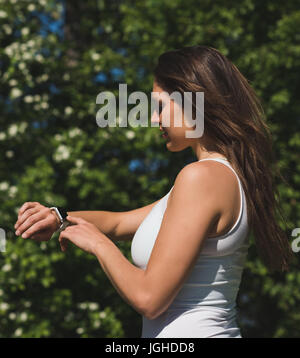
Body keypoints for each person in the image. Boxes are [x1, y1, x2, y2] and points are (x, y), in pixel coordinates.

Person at [14, 46, 293, 338]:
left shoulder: (203, 178)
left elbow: (149, 298)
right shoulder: (218, 176)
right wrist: (58, 218)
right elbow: (120, 223)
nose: (154, 119)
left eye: (160, 106)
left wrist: (98, 245)